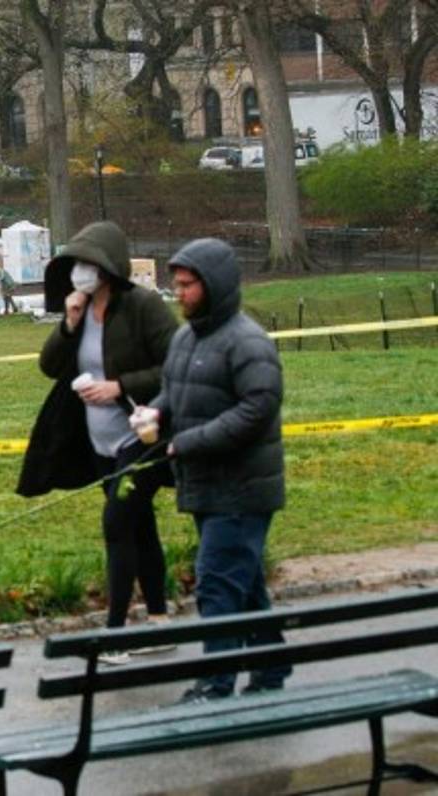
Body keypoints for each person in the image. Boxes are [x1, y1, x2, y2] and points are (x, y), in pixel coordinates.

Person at [135, 237, 289, 702]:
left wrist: (187, 442)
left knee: (218, 582)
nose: (178, 294)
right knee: (243, 583)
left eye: (187, 286)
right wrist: (156, 414)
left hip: (243, 489)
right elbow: (175, 391)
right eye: (176, 285)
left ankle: (215, 682)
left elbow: (256, 409)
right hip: (204, 484)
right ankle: (272, 667)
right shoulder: (186, 338)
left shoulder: (248, 342)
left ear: (214, 286)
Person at [18, 221, 179, 657]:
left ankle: (116, 634)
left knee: (116, 526)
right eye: (76, 265)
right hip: (99, 442)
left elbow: (178, 365)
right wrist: (69, 323)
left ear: (109, 268)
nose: (80, 273)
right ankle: (160, 622)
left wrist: (119, 385)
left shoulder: (143, 306)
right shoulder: (81, 310)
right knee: (139, 527)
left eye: (88, 264)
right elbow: (50, 366)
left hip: (141, 437)